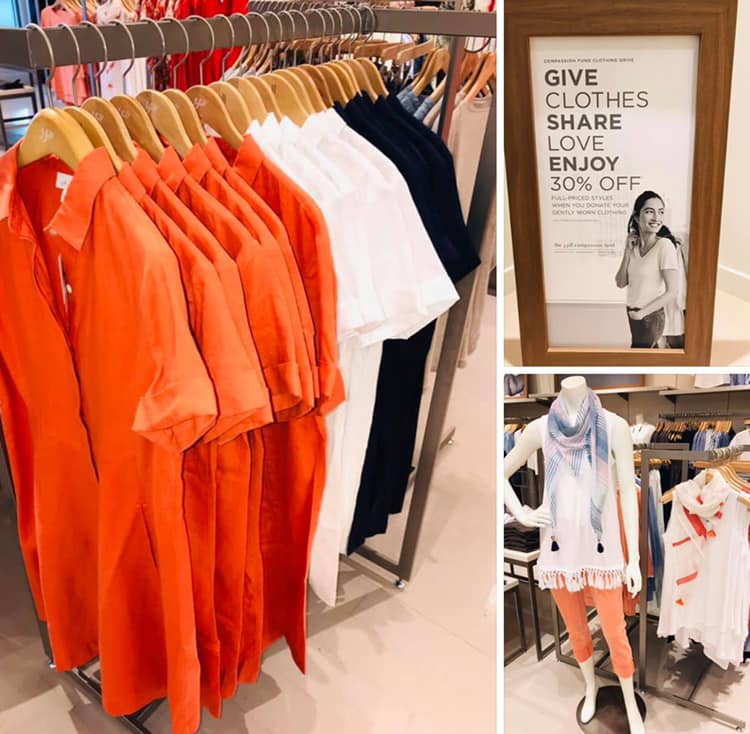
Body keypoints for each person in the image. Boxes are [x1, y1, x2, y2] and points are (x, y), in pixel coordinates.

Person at [615, 191, 680, 348]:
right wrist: (627, 251)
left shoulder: (664, 246)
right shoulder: (634, 246)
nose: (657, 217)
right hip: (633, 314)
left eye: (661, 212)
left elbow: (672, 292)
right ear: (637, 217)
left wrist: (641, 314)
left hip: (651, 316)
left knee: (639, 357)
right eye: (650, 211)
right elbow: (620, 282)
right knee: (643, 356)